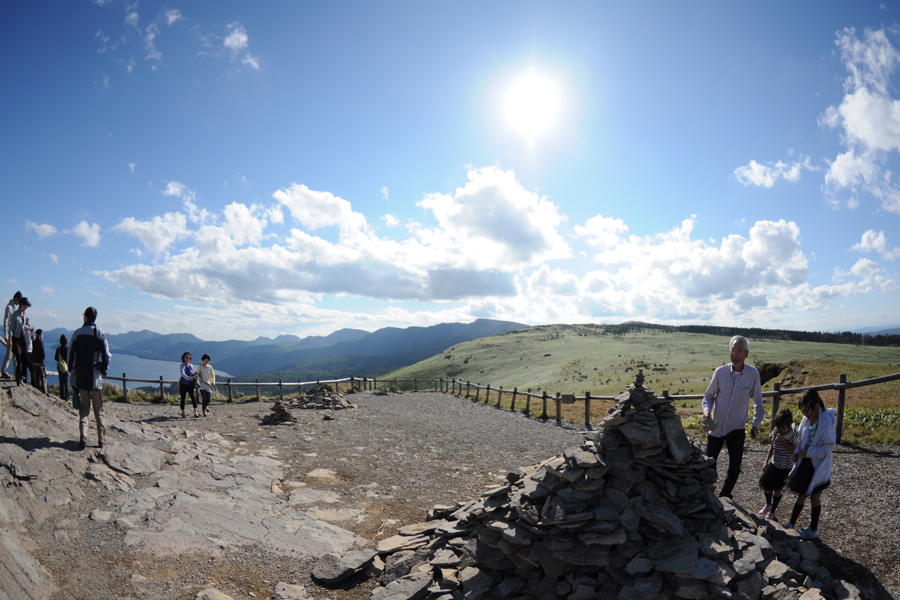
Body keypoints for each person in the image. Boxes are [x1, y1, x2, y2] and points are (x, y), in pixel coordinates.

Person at [701, 335, 764, 498]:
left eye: (739, 351)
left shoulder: (753, 374)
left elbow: (758, 403)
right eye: (732, 350)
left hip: (737, 427)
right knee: (708, 463)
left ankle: (725, 496)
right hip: (715, 425)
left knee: (735, 467)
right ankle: (708, 495)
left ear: (746, 354)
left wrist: (755, 424)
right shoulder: (720, 372)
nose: (735, 354)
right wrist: (706, 411)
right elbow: (708, 396)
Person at [786, 389, 836, 539]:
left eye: (806, 410)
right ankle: (792, 524)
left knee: (814, 497)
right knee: (803, 494)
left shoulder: (827, 421)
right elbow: (802, 439)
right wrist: (798, 453)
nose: (804, 413)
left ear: (816, 406)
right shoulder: (806, 419)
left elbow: (828, 447)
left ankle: (809, 529)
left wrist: (809, 452)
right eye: (802, 410)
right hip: (806, 462)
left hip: (819, 465)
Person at [69, 307, 112, 449]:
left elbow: (71, 356)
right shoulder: (99, 333)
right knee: (99, 409)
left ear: (85, 317)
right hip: (95, 377)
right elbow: (106, 354)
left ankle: (84, 435)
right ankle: (101, 439)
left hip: (81, 376)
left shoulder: (76, 334)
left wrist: (72, 372)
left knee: (84, 408)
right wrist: (103, 368)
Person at [757, 408, 799, 521]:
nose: (782, 430)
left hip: (785, 468)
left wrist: (783, 442)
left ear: (790, 424)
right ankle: (768, 504)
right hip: (774, 464)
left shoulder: (794, 434)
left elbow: (793, 451)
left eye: (784, 428)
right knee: (767, 487)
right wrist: (766, 461)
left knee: (778, 490)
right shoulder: (776, 431)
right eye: (779, 427)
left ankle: (772, 511)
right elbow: (772, 446)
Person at [9, 297, 31, 386]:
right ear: (21, 305)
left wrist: (28, 328)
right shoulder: (15, 314)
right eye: (25, 306)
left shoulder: (23, 315)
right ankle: (18, 380)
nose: (25, 308)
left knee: (25, 358)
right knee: (18, 359)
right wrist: (10, 340)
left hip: (22, 339)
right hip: (16, 339)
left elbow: (23, 326)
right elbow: (11, 328)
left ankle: (21, 377)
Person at [2, 291, 22, 379]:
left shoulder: (13, 307)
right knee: (10, 354)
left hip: (13, 335)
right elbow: (6, 321)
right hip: (10, 335)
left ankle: (13, 372)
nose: (18, 303)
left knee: (12, 354)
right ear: (16, 299)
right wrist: (6, 335)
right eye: (19, 301)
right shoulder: (9, 307)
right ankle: (5, 370)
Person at [179, 351, 198, 417]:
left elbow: (191, 374)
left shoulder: (191, 366)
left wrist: (194, 374)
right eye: (186, 357)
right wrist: (188, 378)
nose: (188, 358)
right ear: (183, 358)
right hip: (183, 384)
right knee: (183, 398)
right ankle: (183, 412)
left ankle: (195, 412)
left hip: (190, 385)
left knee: (193, 398)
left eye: (189, 357)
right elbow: (183, 373)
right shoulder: (182, 365)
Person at [55, 334, 70, 402]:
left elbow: (55, 358)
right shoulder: (68, 349)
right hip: (66, 367)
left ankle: (61, 396)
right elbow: (69, 359)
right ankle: (67, 398)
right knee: (66, 382)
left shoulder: (58, 349)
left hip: (60, 367)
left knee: (61, 382)